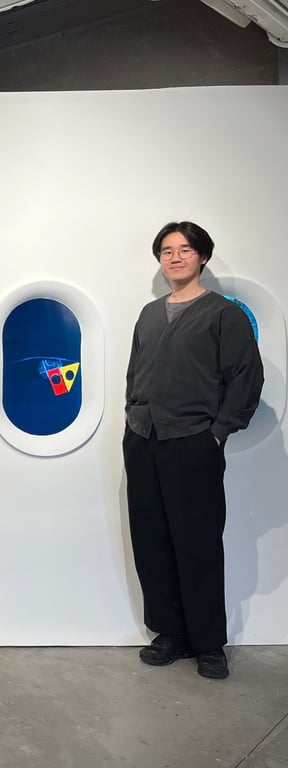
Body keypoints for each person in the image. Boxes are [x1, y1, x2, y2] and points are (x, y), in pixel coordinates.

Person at [124, 222, 263, 680]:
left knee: (198, 543)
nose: (175, 257)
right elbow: (135, 374)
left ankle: (208, 643)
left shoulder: (224, 314)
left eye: (185, 249)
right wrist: (133, 415)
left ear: (202, 257)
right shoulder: (147, 314)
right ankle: (170, 634)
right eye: (167, 250)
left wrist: (219, 432)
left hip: (192, 442)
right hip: (144, 440)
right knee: (152, 540)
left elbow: (246, 377)